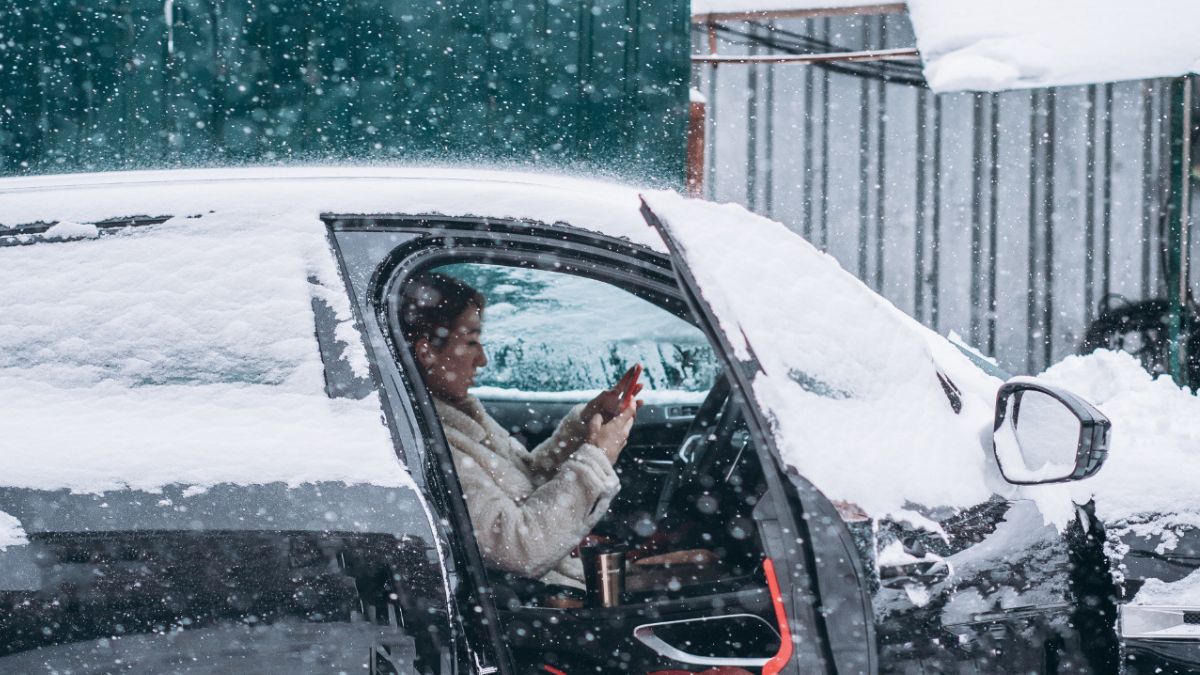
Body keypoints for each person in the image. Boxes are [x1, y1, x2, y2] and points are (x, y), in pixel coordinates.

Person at [399, 271, 643, 588]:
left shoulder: (457, 418)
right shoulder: (428, 442)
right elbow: (518, 548)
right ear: (426, 352)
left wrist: (585, 430)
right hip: (542, 609)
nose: (483, 359)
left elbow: (526, 484)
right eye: (472, 342)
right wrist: (596, 457)